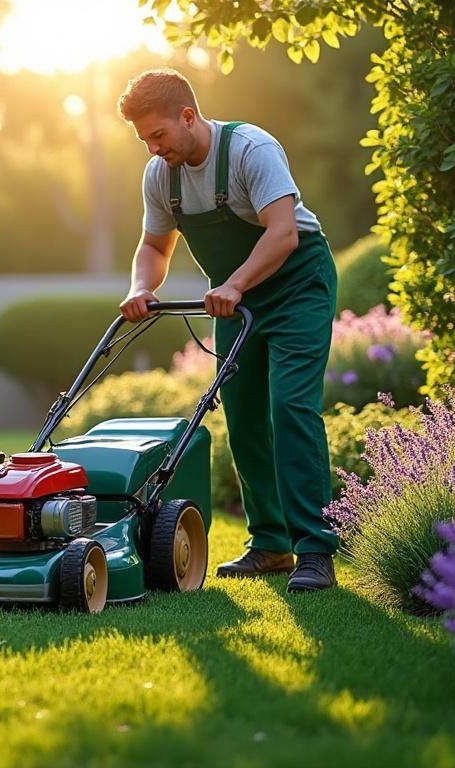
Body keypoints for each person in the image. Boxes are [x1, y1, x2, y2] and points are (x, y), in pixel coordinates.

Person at [115, 68, 338, 592]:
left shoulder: (250, 150)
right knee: (243, 416)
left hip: (298, 286)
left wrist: (235, 285)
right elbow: (153, 248)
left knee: (290, 408)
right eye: (144, 139)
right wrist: (138, 288)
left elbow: (282, 234)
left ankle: (314, 549)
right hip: (236, 301)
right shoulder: (159, 176)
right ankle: (270, 545)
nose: (152, 148)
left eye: (158, 135)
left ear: (188, 116)